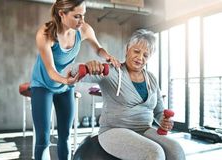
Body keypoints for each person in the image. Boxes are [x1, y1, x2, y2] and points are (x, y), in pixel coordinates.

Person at [30, 0, 120, 160]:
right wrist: (67, 81)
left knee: (65, 136)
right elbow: (51, 71)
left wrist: (107, 56)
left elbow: (98, 48)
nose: (82, 21)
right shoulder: (45, 34)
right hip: (43, 86)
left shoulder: (83, 29)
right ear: (62, 14)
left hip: (65, 88)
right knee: (43, 139)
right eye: (77, 16)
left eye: (83, 15)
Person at [81, 29, 186, 160]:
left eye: (146, 55)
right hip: (113, 130)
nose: (140, 58)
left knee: (177, 150)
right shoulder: (112, 71)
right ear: (127, 49)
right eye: (136, 51)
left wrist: (164, 122)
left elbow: (159, 112)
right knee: (155, 153)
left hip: (144, 129)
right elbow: (72, 72)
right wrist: (88, 67)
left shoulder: (151, 79)